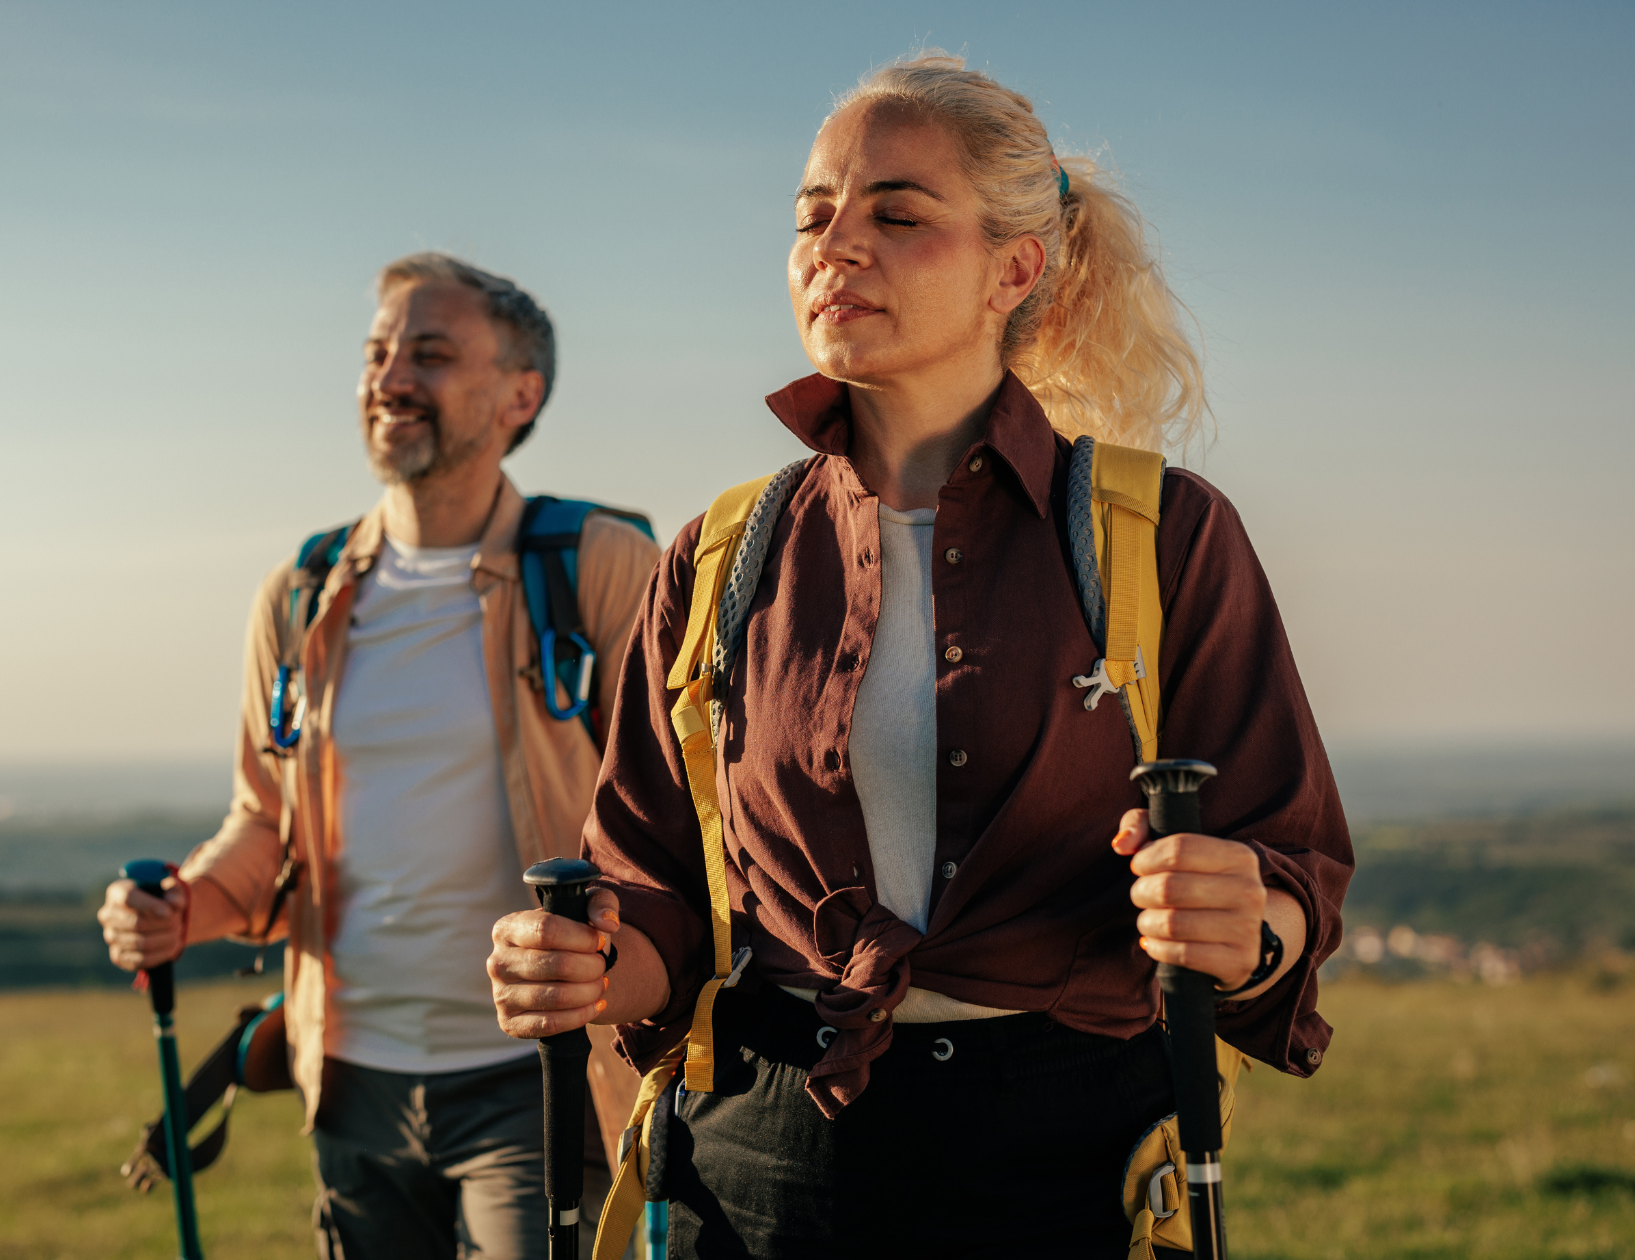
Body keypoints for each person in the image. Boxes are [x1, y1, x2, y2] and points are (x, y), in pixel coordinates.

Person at [488, 53, 1353, 1257]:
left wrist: (1250, 921)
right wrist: (585, 963)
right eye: (813, 214)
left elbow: (1288, 854)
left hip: (1064, 1168)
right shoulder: (722, 552)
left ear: (1016, 266)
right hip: (752, 1162)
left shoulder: (1162, 535)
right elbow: (651, 884)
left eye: (897, 215)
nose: (835, 244)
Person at [99, 253, 660, 1259]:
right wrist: (183, 905)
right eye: (376, 353)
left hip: (534, 1073)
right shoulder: (302, 593)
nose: (389, 378)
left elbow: (671, 822)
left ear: (518, 395)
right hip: (348, 1074)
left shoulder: (599, 569)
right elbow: (262, 824)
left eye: (431, 354)